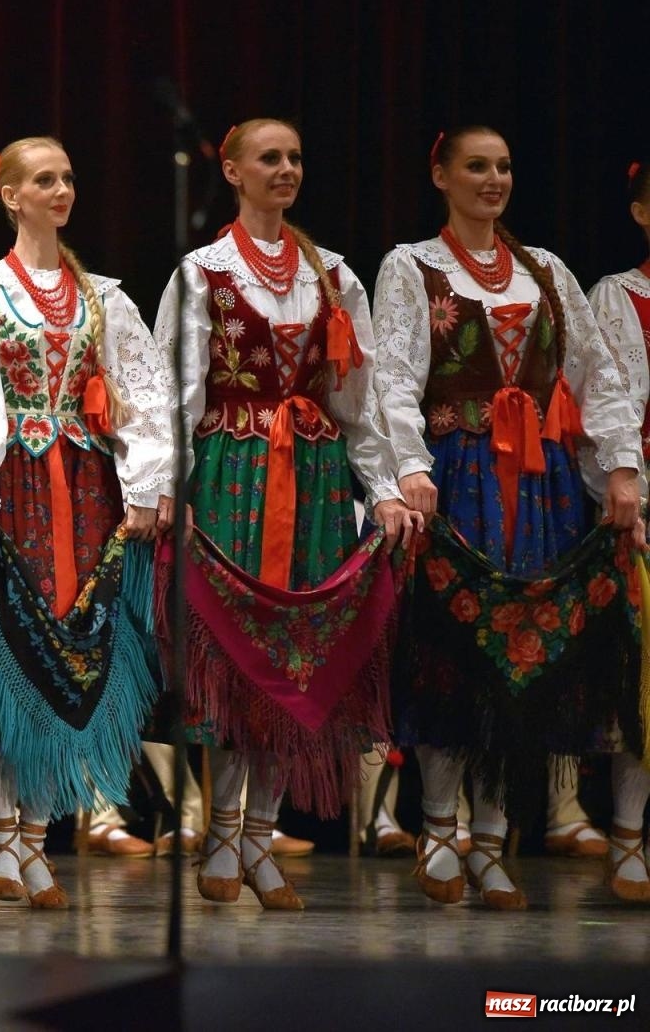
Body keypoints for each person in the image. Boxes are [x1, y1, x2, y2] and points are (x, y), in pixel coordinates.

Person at [374, 126, 645, 910]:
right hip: (457, 475)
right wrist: (411, 467)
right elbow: (393, 377)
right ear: (440, 175)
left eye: (504, 167)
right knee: (450, 652)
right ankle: (438, 828)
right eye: (477, 167)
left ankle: (491, 841)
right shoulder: (412, 267)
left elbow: (601, 381)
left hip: (540, 485)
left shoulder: (547, 271)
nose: (494, 180)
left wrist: (619, 471)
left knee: (521, 659)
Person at [156, 118, 417, 910]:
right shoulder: (202, 272)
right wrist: (175, 489)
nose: (286, 169)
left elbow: (358, 401)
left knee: (295, 656)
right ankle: (224, 836)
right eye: (269, 158)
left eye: (296, 157)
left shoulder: (333, 274)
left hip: (309, 473)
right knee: (233, 660)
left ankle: (261, 841)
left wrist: (383, 486)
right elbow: (177, 396)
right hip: (234, 470)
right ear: (232, 171)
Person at [0, 136, 174, 907]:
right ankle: (6, 840)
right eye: (45, 179)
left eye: (68, 177)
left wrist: (145, 480)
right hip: (16, 490)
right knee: (13, 658)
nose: (62, 189)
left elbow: (141, 392)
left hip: (89, 487)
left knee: (82, 647)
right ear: (11, 196)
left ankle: (36, 840)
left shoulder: (105, 295)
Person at [579, 156, 650, 902]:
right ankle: (628, 835)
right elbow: (609, 409)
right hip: (645, 506)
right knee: (644, 679)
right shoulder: (620, 299)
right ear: (640, 213)